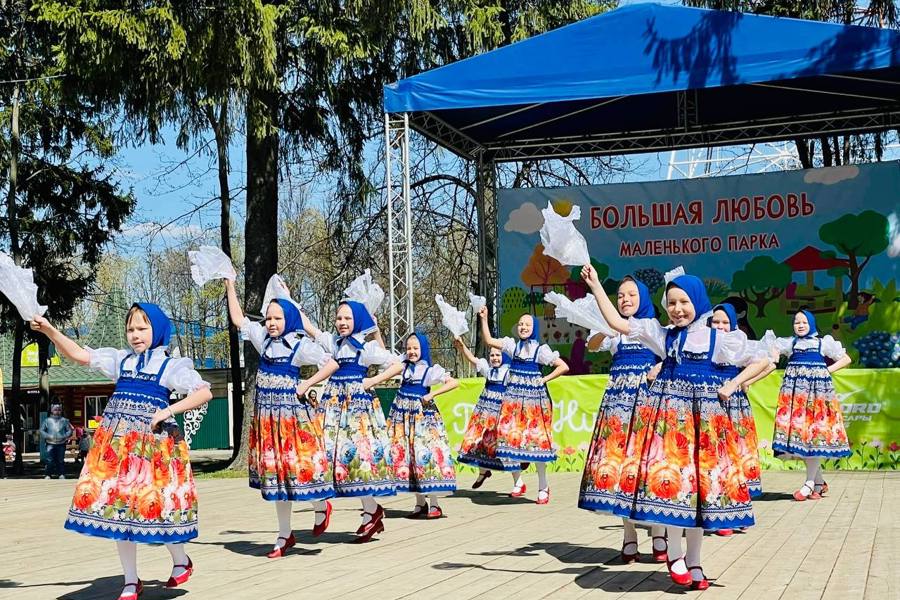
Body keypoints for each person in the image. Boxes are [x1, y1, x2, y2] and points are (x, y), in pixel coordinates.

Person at [583, 265, 769, 590]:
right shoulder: (662, 334)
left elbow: (764, 358)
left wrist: (733, 385)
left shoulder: (717, 340)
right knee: (672, 489)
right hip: (669, 427)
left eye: (683, 302)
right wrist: (597, 284)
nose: (677, 309)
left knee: (699, 496)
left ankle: (695, 563)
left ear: (697, 301)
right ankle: (674, 553)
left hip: (704, 428)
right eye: (671, 303)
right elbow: (617, 323)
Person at [30, 303, 212, 600]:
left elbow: (204, 392)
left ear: (158, 330)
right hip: (118, 448)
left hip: (154, 448)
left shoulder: (169, 366)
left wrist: (166, 411)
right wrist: (50, 330)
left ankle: (180, 559)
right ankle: (130, 581)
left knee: (157, 507)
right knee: (119, 510)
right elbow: (79, 355)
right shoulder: (121, 360)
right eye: (130, 329)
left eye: (142, 328)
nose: (135, 335)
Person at [225, 279, 335, 558]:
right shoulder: (263, 340)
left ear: (289, 319)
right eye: (269, 318)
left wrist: (306, 384)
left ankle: (321, 504)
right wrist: (230, 283)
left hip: (293, 419)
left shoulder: (299, 346)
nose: (271, 323)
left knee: (303, 467)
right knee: (276, 477)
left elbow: (332, 362)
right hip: (267, 420)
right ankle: (284, 534)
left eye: (278, 318)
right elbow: (238, 319)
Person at [574, 276, 669, 564]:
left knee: (648, 466)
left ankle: (660, 532)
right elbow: (592, 345)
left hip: (648, 404)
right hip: (618, 406)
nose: (625, 299)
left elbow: (674, 356)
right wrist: (605, 326)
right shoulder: (614, 331)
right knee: (619, 467)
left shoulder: (654, 327)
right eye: (620, 296)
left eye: (631, 295)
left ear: (642, 297)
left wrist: (657, 369)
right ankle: (628, 535)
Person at [298, 300, 399, 542]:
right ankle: (354, 509)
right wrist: (291, 303)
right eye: (339, 318)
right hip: (332, 407)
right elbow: (310, 327)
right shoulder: (333, 342)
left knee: (354, 458)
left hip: (357, 411)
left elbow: (396, 365)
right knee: (322, 456)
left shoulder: (365, 348)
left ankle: (370, 512)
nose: (342, 323)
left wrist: (373, 381)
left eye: (347, 319)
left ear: (357, 322)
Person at [478, 306, 569, 504]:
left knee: (536, 442)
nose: (523, 327)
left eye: (527, 324)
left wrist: (544, 379)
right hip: (512, 402)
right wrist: (484, 319)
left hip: (534, 402)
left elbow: (563, 366)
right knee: (509, 436)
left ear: (534, 327)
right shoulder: (513, 346)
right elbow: (489, 341)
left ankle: (543, 486)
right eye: (520, 324)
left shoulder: (540, 350)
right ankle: (519, 478)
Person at [365, 332, 459, 518]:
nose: (412, 351)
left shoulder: (430, 370)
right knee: (407, 455)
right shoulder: (404, 366)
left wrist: (432, 395)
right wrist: (376, 331)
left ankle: (434, 504)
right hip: (402, 416)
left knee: (425, 455)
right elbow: (386, 359)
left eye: (415, 348)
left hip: (422, 418)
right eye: (409, 348)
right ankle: (420, 503)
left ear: (423, 349)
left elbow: (454, 382)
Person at [764, 309, 852, 501]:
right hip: (796, 396)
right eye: (797, 322)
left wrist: (827, 370)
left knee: (813, 435)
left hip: (818, 396)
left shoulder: (822, 343)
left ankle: (809, 484)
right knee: (801, 437)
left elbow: (846, 359)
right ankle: (818, 482)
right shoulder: (790, 343)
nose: (800, 325)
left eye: (804, 322)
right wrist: (772, 354)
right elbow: (773, 353)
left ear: (811, 323)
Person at [707, 303, 776, 536]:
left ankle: (736, 510)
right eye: (716, 321)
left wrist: (742, 382)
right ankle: (720, 515)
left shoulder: (739, 342)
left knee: (735, 456)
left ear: (733, 324)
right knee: (716, 458)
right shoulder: (704, 342)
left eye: (725, 322)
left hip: (734, 404)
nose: (720, 326)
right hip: (710, 403)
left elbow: (767, 362)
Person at [453, 337, 522, 489]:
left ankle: (518, 482)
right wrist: (462, 346)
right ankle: (483, 472)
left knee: (504, 447)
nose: (495, 358)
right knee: (478, 442)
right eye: (492, 355)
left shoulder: (509, 372)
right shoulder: (488, 369)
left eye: (498, 355)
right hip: (484, 413)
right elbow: (472, 359)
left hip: (500, 415)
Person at [40, 404, 73, 479]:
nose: (57, 411)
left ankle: (61, 474)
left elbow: (69, 430)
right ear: (52, 411)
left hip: (61, 443)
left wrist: (64, 436)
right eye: (55, 409)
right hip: (50, 443)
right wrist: (48, 436)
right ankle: (48, 474)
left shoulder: (64, 420)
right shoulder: (47, 420)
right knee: (49, 460)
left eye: (59, 410)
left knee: (60, 460)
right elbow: (42, 430)